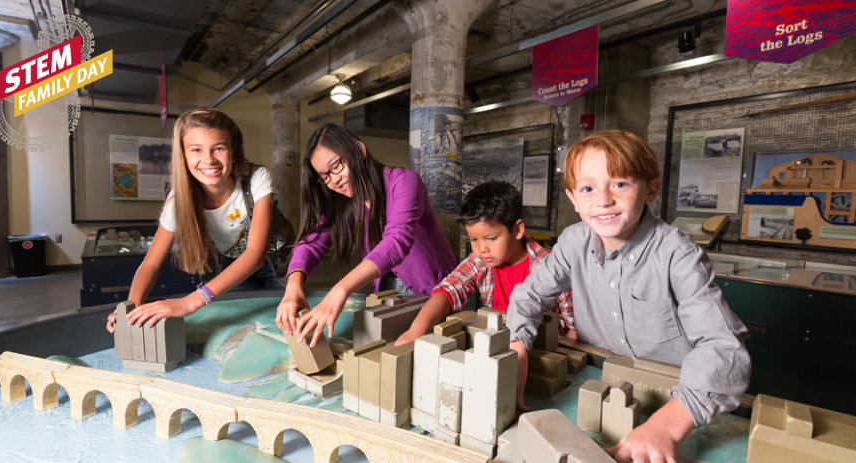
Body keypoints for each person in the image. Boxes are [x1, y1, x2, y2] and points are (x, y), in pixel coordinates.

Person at [506, 130, 750, 463]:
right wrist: (517, 348)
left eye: (620, 184)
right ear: (573, 199)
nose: (603, 200)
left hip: (676, 402)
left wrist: (667, 426)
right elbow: (528, 296)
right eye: (588, 189)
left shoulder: (678, 255)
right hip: (599, 384)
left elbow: (725, 349)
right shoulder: (573, 242)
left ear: (651, 188)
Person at [277, 123, 457, 346]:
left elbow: (397, 240)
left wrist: (339, 290)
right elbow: (310, 243)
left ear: (359, 151)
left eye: (336, 166)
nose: (333, 180)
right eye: (324, 177)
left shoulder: (405, 182)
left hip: (435, 294)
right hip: (388, 297)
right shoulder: (341, 204)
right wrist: (293, 285)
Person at [106, 108, 280, 333]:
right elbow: (151, 263)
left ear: (234, 152)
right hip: (233, 265)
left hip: (278, 262)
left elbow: (256, 254)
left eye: (219, 148)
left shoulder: (257, 178)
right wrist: (131, 306)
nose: (208, 159)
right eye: (196, 150)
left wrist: (189, 302)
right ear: (184, 156)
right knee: (242, 326)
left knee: (283, 320)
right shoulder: (178, 200)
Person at [394, 181, 574, 346]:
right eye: (473, 239)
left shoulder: (553, 267)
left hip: (539, 351)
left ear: (517, 229)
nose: (481, 249)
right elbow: (450, 289)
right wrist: (416, 330)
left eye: (491, 238)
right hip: (494, 347)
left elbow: (572, 328)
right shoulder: (479, 262)